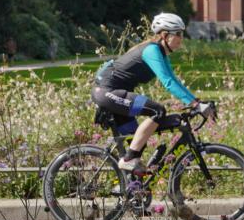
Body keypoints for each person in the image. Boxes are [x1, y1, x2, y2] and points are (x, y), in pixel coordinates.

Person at [91, 13, 214, 175]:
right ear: (164, 35)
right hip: (107, 91)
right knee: (158, 111)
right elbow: (168, 83)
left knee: (138, 141)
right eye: (177, 33)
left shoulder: (160, 53)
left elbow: (173, 80)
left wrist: (196, 101)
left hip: (114, 93)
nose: (181, 38)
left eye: (181, 33)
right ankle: (128, 160)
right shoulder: (152, 51)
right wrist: (196, 105)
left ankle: (131, 189)